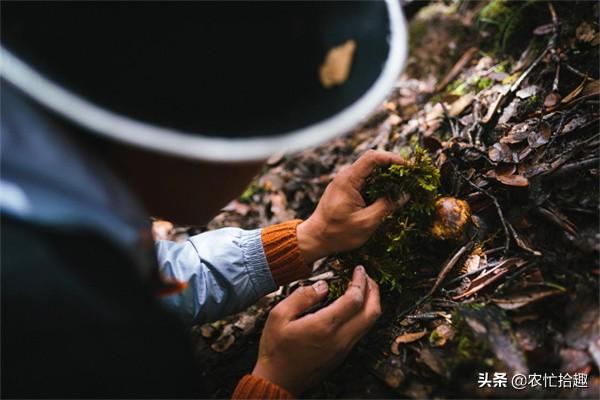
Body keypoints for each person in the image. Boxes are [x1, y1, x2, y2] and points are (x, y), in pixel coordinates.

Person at [1, 1, 408, 398]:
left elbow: (149, 277)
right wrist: (273, 385)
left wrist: (307, 238)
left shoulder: (41, 199)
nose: (266, 156)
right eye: (264, 133)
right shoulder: (74, 340)